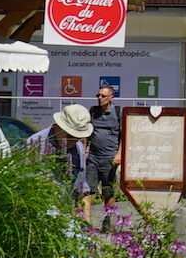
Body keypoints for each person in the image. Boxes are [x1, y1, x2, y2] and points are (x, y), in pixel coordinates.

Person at [26, 104, 95, 206]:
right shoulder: (35, 144)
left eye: (77, 137)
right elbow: (24, 186)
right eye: (70, 136)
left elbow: (82, 190)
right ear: (58, 127)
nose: (73, 141)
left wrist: (86, 219)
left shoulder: (78, 147)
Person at [82, 84, 123, 222]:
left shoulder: (118, 112)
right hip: (93, 157)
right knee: (87, 190)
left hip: (109, 158)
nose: (100, 98)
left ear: (111, 97)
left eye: (103, 96)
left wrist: (119, 154)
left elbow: (125, 136)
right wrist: (83, 151)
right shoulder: (93, 111)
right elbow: (87, 133)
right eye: (98, 95)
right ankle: (86, 222)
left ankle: (107, 222)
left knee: (108, 192)